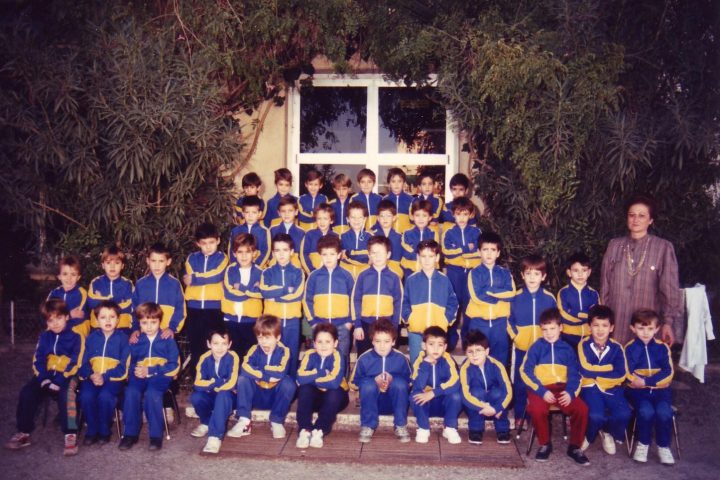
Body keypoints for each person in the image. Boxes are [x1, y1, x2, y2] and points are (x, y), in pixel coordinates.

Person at [5, 299, 84, 456]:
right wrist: (44, 379)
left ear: (67, 317)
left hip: (69, 375)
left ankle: (70, 434)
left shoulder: (76, 336)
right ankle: (23, 432)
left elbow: (76, 362)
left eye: (59, 318)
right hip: (47, 375)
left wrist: (59, 380)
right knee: (27, 392)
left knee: (66, 394)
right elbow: (38, 360)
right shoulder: (44, 336)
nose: (55, 323)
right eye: (50, 320)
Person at [600, 193, 682, 345]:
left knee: (644, 358)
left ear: (650, 220)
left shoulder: (663, 248)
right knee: (617, 358)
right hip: (617, 322)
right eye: (631, 215)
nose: (635, 219)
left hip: (647, 326)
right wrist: (604, 320)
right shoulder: (614, 245)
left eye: (642, 216)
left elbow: (669, 290)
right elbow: (605, 285)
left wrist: (668, 323)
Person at [520, 308, 589, 465]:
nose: (549, 333)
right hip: (540, 389)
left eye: (552, 328)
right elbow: (525, 371)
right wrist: (541, 391)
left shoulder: (568, 349)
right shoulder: (536, 347)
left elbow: (575, 374)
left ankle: (575, 447)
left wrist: (570, 393)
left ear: (560, 328)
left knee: (581, 409)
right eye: (545, 329)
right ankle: (545, 444)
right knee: (537, 409)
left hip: (562, 389)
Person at [119, 302, 180, 451]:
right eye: (144, 323)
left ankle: (155, 436)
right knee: (131, 392)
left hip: (161, 376)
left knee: (152, 394)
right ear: (139, 323)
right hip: (140, 375)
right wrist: (135, 372)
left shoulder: (167, 339)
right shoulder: (136, 340)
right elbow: (129, 362)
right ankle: (130, 434)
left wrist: (151, 370)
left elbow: (174, 365)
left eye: (153, 322)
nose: (149, 327)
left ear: (160, 321)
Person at [507, 255, 557, 420]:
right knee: (521, 382)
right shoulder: (515, 297)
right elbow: (509, 320)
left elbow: (556, 322)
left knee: (540, 380)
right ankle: (520, 415)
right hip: (522, 348)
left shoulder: (549, 298)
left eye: (536, 274)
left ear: (543, 276)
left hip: (543, 349)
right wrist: (517, 337)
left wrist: (550, 341)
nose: (532, 278)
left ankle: (536, 416)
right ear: (522, 275)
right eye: (528, 273)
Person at [231, 315, 296, 440]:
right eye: (260, 337)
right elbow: (244, 368)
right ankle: (244, 420)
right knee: (243, 379)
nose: (263, 342)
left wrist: (258, 370)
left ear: (278, 337)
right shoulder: (254, 349)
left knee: (288, 384)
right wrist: (266, 376)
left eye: (267, 337)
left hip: (275, 397)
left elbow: (280, 372)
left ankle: (276, 421)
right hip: (257, 395)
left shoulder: (284, 351)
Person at [577, 305, 631, 456]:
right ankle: (589, 435)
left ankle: (607, 432)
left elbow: (621, 373)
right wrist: (609, 367)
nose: (600, 330)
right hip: (590, 387)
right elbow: (584, 370)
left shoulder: (617, 347)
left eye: (605, 325)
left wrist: (597, 375)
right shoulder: (583, 344)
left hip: (612, 388)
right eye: (596, 325)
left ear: (611, 328)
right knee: (596, 415)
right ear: (589, 327)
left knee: (624, 414)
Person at [625, 309, 676, 465]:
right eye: (641, 328)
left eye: (650, 328)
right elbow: (627, 373)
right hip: (638, 393)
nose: (646, 332)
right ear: (633, 328)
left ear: (657, 329)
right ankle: (643, 443)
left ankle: (663, 446)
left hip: (661, 391)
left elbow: (668, 372)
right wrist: (637, 382)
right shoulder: (629, 348)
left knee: (664, 412)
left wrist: (647, 382)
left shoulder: (662, 347)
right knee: (646, 412)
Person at [350, 318, 411, 443]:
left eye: (386, 341)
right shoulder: (364, 358)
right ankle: (368, 426)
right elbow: (353, 383)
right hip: (372, 403)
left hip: (393, 403)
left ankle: (400, 425)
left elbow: (410, 381)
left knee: (400, 384)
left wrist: (393, 379)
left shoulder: (401, 358)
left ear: (393, 341)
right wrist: (373, 381)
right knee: (368, 385)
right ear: (372, 341)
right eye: (378, 341)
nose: (382, 346)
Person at [78, 301, 129, 446]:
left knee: (105, 396)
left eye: (112, 317)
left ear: (118, 320)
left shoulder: (123, 339)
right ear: (96, 320)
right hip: (92, 377)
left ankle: (104, 431)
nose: (108, 321)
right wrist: (91, 375)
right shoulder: (91, 338)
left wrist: (104, 376)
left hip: (113, 379)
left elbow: (124, 367)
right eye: (103, 317)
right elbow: (83, 363)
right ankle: (91, 430)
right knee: (86, 396)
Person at [401, 239, 458, 365]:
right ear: (418, 257)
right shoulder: (411, 280)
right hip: (416, 332)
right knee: (416, 364)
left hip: (437, 333)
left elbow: (453, 302)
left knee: (436, 366)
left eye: (431, 256)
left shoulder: (444, 280)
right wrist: (410, 318)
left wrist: (445, 320)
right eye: (423, 256)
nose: (427, 260)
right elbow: (404, 302)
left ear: (437, 258)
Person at [183, 223, 229, 375]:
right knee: (196, 345)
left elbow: (217, 275)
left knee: (215, 346)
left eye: (211, 242)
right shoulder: (191, 258)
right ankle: (197, 379)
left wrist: (195, 279)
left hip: (214, 309)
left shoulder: (223, 258)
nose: (208, 247)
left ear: (218, 241)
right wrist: (203, 278)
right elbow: (189, 274)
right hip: (194, 308)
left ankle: (216, 378)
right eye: (203, 243)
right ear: (198, 243)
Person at [295, 323, 349, 449]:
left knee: (334, 392)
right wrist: (322, 372)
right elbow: (300, 378)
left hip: (335, 400)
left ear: (335, 343)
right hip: (315, 399)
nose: (323, 345)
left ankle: (319, 430)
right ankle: (305, 429)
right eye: (319, 342)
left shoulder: (338, 356)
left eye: (327, 342)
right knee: (304, 389)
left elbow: (334, 382)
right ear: (314, 343)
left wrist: (311, 378)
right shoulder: (309, 355)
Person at [465, 232, 515, 366]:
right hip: (479, 323)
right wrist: (499, 296)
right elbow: (477, 297)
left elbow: (511, 293)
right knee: (477, 359)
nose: (489, 253)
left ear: (498, 253)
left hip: (500, 324)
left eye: (493, 250)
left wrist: (489, 291)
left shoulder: (505, 273)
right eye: (485, 249)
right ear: (479, 252)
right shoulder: (474, 273)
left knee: (500, 360)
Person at [303, 235, 355, 361]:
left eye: (332, 254)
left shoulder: (347, 276)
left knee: (342, 359)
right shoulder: (314, 276)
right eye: (325, 254)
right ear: (320, 255)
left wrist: (349, 322)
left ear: (339, 255)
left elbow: (353, 301)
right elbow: (307, 300)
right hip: (320, 325)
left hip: (342, 326)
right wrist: (313, 323)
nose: (328, 258)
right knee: (321, 359)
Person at [189, 326, 240, 454]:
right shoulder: (204, 358)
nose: (220, 348)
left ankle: (215, 437)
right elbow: (198, 384)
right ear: (208, 344)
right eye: (215, 343)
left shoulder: (233, 357)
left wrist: (211, 385)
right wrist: (218, 382)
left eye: (224, 343)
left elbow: (231, 383)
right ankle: (206, 422)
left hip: (229, 398)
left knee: (223, 395)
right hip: (212, 394)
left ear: (229, 345)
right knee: (196, 397)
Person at [259, 233, 304, 376]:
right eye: (277, 250)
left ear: (291, 252)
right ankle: (272, 382)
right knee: (273, 353)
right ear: (273, 253)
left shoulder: (298, 272)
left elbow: (297, 295)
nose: (281, 254)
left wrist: (275, 298)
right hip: (272, 322)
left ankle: (290, 383)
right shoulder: (267, 272)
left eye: (285, 250)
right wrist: (285, 290)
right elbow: (264, 291)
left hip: (292, 321)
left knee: (291, 353)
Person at [410, 326, 462, 444]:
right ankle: (423, 428)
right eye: (431, 344)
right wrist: (425, 365)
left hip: (443, 404)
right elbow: (417, 385)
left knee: (456, 396)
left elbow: (455, 382)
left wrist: (434, 393)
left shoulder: (448, 360)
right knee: (414, 396)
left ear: (445, 347)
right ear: (424, 346)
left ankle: (449, 428)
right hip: (426, 405)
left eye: (440, 345)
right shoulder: (419, 361)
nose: (436, 349)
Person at [352, 236, 403, 356]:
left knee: (386, 358)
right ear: (369, 255)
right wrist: (357, 325)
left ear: (388, 254)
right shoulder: (362, 276)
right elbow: (356, 300)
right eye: (374, 253)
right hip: (365, 324)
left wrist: (394, 327)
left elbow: (398, 303)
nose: (377, 256)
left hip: (387, 325)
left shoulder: (394, 277)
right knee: (364, 356)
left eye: (381, 253)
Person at [441, 196, 481, 348]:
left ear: (470, 215)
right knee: (453, 305)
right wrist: (465, 249)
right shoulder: (449, 232)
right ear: (453, 214)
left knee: (469, 307)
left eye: (465, 214)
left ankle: (467, 340)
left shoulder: (476, 232)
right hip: (454, 273)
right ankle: (451, 340)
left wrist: (459, 253)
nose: (462, 218)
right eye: (458, 214)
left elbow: (479, 252)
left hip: (471, 273)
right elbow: (447, 252)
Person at [460, 330, 512, 445]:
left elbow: (508, 390)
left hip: (495, 406)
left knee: (499, 393)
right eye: (470, 351)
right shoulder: (465, 368)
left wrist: (497, 408)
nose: (474, 355)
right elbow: (465, 394)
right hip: (477, 406)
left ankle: (502, 429)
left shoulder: (497, 365)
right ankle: (476, 429)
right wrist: (484, 406)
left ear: (487, 351)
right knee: (476, 392)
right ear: (466, 353)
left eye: (478, 350)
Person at [221, 233, 264, 360]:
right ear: (234, 254)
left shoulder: (260, 272)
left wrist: (241, 288)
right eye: (240, 252)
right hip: (231, 319)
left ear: (254, 253)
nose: (244, 256)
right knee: (233, 355)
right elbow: (229, 293)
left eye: (248, 252)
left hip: (251, 320)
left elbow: (261, 293)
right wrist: (251, 290)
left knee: (251, 354)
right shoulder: (230, 270)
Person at [131, 243, 186, 339]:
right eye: (153, 261)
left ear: (168, 262)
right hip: (144, 332)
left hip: (166, 333)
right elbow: (134, 308)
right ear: (148, 261)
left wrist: (172, 328)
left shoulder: (175, 284)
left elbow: (180, 309)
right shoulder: (140, 284)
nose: (157, 265)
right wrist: (135, 328)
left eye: (161, 261)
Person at [87, 246, 134, 333]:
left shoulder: (128, 284)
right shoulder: (95, 282)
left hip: (122, 327)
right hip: (98, 327)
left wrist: (102, 300)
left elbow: (130, 305)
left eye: (117, 263)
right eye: (108, 263)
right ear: (103, 265)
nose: (112, 266)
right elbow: (91, 302)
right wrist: (114, 302)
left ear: (122, 266)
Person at [558, 252, 599, 350]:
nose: (580, 274)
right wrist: (586, 316)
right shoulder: (563, 292)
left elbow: (596, 316)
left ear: (589, 272)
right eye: (576, 270)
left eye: (584, 270)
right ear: (569, 272)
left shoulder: (593, 293)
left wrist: (574, 312)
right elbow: (564, 315)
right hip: (568, 336)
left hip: (589, 336)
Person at [47, 255, 89, 338]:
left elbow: (80, 317)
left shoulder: (82, 294)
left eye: (73, 274)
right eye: (65, 274)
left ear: (78, 277)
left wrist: (62, 321)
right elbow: (48, 314)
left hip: (75, 332)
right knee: (45, 336)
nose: (69, 278)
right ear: (59, 276)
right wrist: (69, 315)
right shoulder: (54, 293)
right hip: (56, 329)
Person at [228, 195, 271, 268]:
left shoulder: (264, 231)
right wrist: (236, 266)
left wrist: (256, 267)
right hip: (239, 267)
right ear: (243, 213)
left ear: (259, 214)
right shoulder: (235, 230)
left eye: (254, 212)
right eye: (247, 212)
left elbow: (266, 251)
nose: (250, 215)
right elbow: (231, 250)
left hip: (258, 267)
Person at [400, 199, 438, 277]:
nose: (421, 219)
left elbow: (435, 252)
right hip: (409, 271)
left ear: (430, 217)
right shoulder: (407, 233)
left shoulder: (433, 234)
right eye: (417, 215)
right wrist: (424, 255)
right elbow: (406, 253)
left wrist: (420, 255)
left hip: (428, 271)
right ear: (412, 216)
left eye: (424, 215)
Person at [299, 203, 338, 274]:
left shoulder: (336, 236)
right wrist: (311, 272)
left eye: (325, 219)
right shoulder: (309, 235)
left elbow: (338, 257)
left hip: (331, 274)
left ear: (331, 221)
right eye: (319, 218)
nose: (322, 222)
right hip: (312, 273)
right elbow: (303, 254)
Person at [371, 199, 404, 280]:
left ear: (394, 218)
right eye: (382, 216)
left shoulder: (400, 237)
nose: (385, 219)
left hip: (395, 273)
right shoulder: (372, 235)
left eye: (388, 216)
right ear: (378, 218)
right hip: (375, 271)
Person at [269, 196, 305, 269]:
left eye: (290, 211)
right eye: (283, 211)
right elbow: (269, 251)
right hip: (276, 261)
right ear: (279, 213)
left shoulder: (302, 232)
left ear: (296, 212)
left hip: (294, 264)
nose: (286, 214)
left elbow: (302, 254)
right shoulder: (272, 230)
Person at [340, 200, 371, 279]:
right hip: (346, 274)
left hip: (365, 274)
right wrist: (363, 255)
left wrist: (348, 253)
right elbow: (340, 256)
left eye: (360, 217)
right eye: (353, 217)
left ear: (365, 219)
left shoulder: (371, 237)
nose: (356, 220)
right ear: (347, 219)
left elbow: (371, 257)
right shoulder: (342, 237)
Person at [383, 167, 414, 233]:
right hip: (390, 236)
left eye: (399, 181)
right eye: (393, 181)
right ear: (389, 183)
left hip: (406, 236)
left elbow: (416, 221)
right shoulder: (384, 200)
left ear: (404, 183)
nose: (396, 184)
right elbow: (380, 220)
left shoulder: (411, 200)